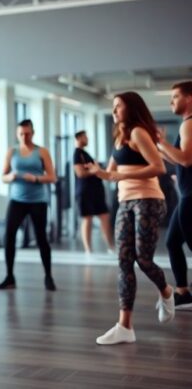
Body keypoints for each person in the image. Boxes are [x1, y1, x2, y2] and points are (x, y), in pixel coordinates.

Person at [85, 92, 174, 345]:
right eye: (112, 107)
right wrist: (95, 171)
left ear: (131, 109)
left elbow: (159, 167)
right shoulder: (119, 137)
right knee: (124, 260)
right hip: (125, 202)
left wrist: (119, 177)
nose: (113, 111)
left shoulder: (138, 132)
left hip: (148, 200)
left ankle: (166, 291)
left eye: (118, 107)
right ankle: (125, 327)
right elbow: (110, 172)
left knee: (143, 259)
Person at [0, 119, 57, 291]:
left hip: (38, 201)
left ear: (33, 133)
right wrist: (12, 176)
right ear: (17, 134)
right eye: (21, 134)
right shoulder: (12, 151)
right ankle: (9, 276)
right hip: (17, 200)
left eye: (28, 133)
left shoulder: (42, 152)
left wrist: (36, 178)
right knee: (9, 236)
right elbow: (3, 176)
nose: (24, 137)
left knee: (41, 238)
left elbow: (52, 177)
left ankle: (48, 276)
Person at [158, 81, 192, 310]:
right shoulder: (186, 125)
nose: (171, 101)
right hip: (187, 194)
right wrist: (160, 147)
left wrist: (161, 142)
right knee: (172, 242)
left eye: (176, 96)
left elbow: (186, 159)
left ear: (189, 98)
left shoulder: (189, 125)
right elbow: (178, 159)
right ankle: (183, 292)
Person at [73, 130, 114, 255]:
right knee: (87, 219)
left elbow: (92, 168)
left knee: (105, 217)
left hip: (96, 192)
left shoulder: (85, 153)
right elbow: (80, 173)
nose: (87, 139)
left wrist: (95, 168)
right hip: (85, 192)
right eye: (85, 137)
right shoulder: (77, 153)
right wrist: (95, 170)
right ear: (79, 138)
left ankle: (111, 247)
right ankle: (88, 250)